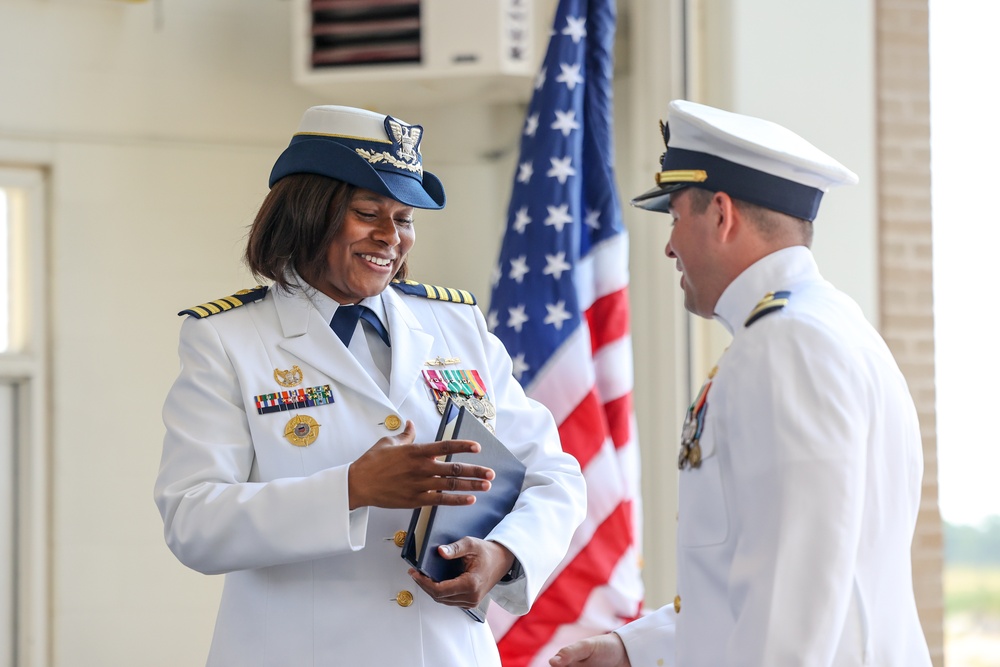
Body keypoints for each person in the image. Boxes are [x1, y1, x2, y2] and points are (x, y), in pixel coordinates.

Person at [153, 104, 587, 666]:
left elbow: (554, 473)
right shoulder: (227, 338)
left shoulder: (454, 323)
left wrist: (504, 552)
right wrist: (352, 488)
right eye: (367, 213)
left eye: (404, 219)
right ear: (307, 214)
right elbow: (194, 520)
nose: (391, 237)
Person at [550, 100, 933, 666]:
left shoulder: (785, 345)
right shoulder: (824, 324)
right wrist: (634, 649)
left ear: (722, 214)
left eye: (676, 216)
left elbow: (794, 594)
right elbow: (760, 573)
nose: (669, 245)